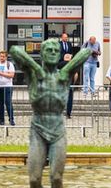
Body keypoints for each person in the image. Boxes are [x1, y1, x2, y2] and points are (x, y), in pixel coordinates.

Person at [9, 39, 91, 188]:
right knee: (34, 179)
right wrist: (36, 68)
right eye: (49, 50)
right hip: (38, 129)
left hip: (57, 130)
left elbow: (86, 52)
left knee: (56, 178)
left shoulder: (64, 76)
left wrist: (67, 69)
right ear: (41, 54)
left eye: (56, 50)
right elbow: (14, 50)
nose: (53, 52)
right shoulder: (33, 75)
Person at [0, 50, 16, 126]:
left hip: (7, 86)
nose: (1, 58)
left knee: (8, 103)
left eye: (3, 56)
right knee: (0, 104)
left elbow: (11, 75)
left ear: (6, 57)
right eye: (0, 56)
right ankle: (1, 120)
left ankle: (11, 119)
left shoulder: (9, 64)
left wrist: (1, 73)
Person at [58, 33, 76, 118]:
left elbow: (71, 52)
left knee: (69, 98)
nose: (66, 38)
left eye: (67, 37)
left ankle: (68, 113)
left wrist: (70, 56)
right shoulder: (58, 44)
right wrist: (64, 57)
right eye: (65, 37)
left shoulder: (69, 44)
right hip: (61, 61)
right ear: (62, 38)